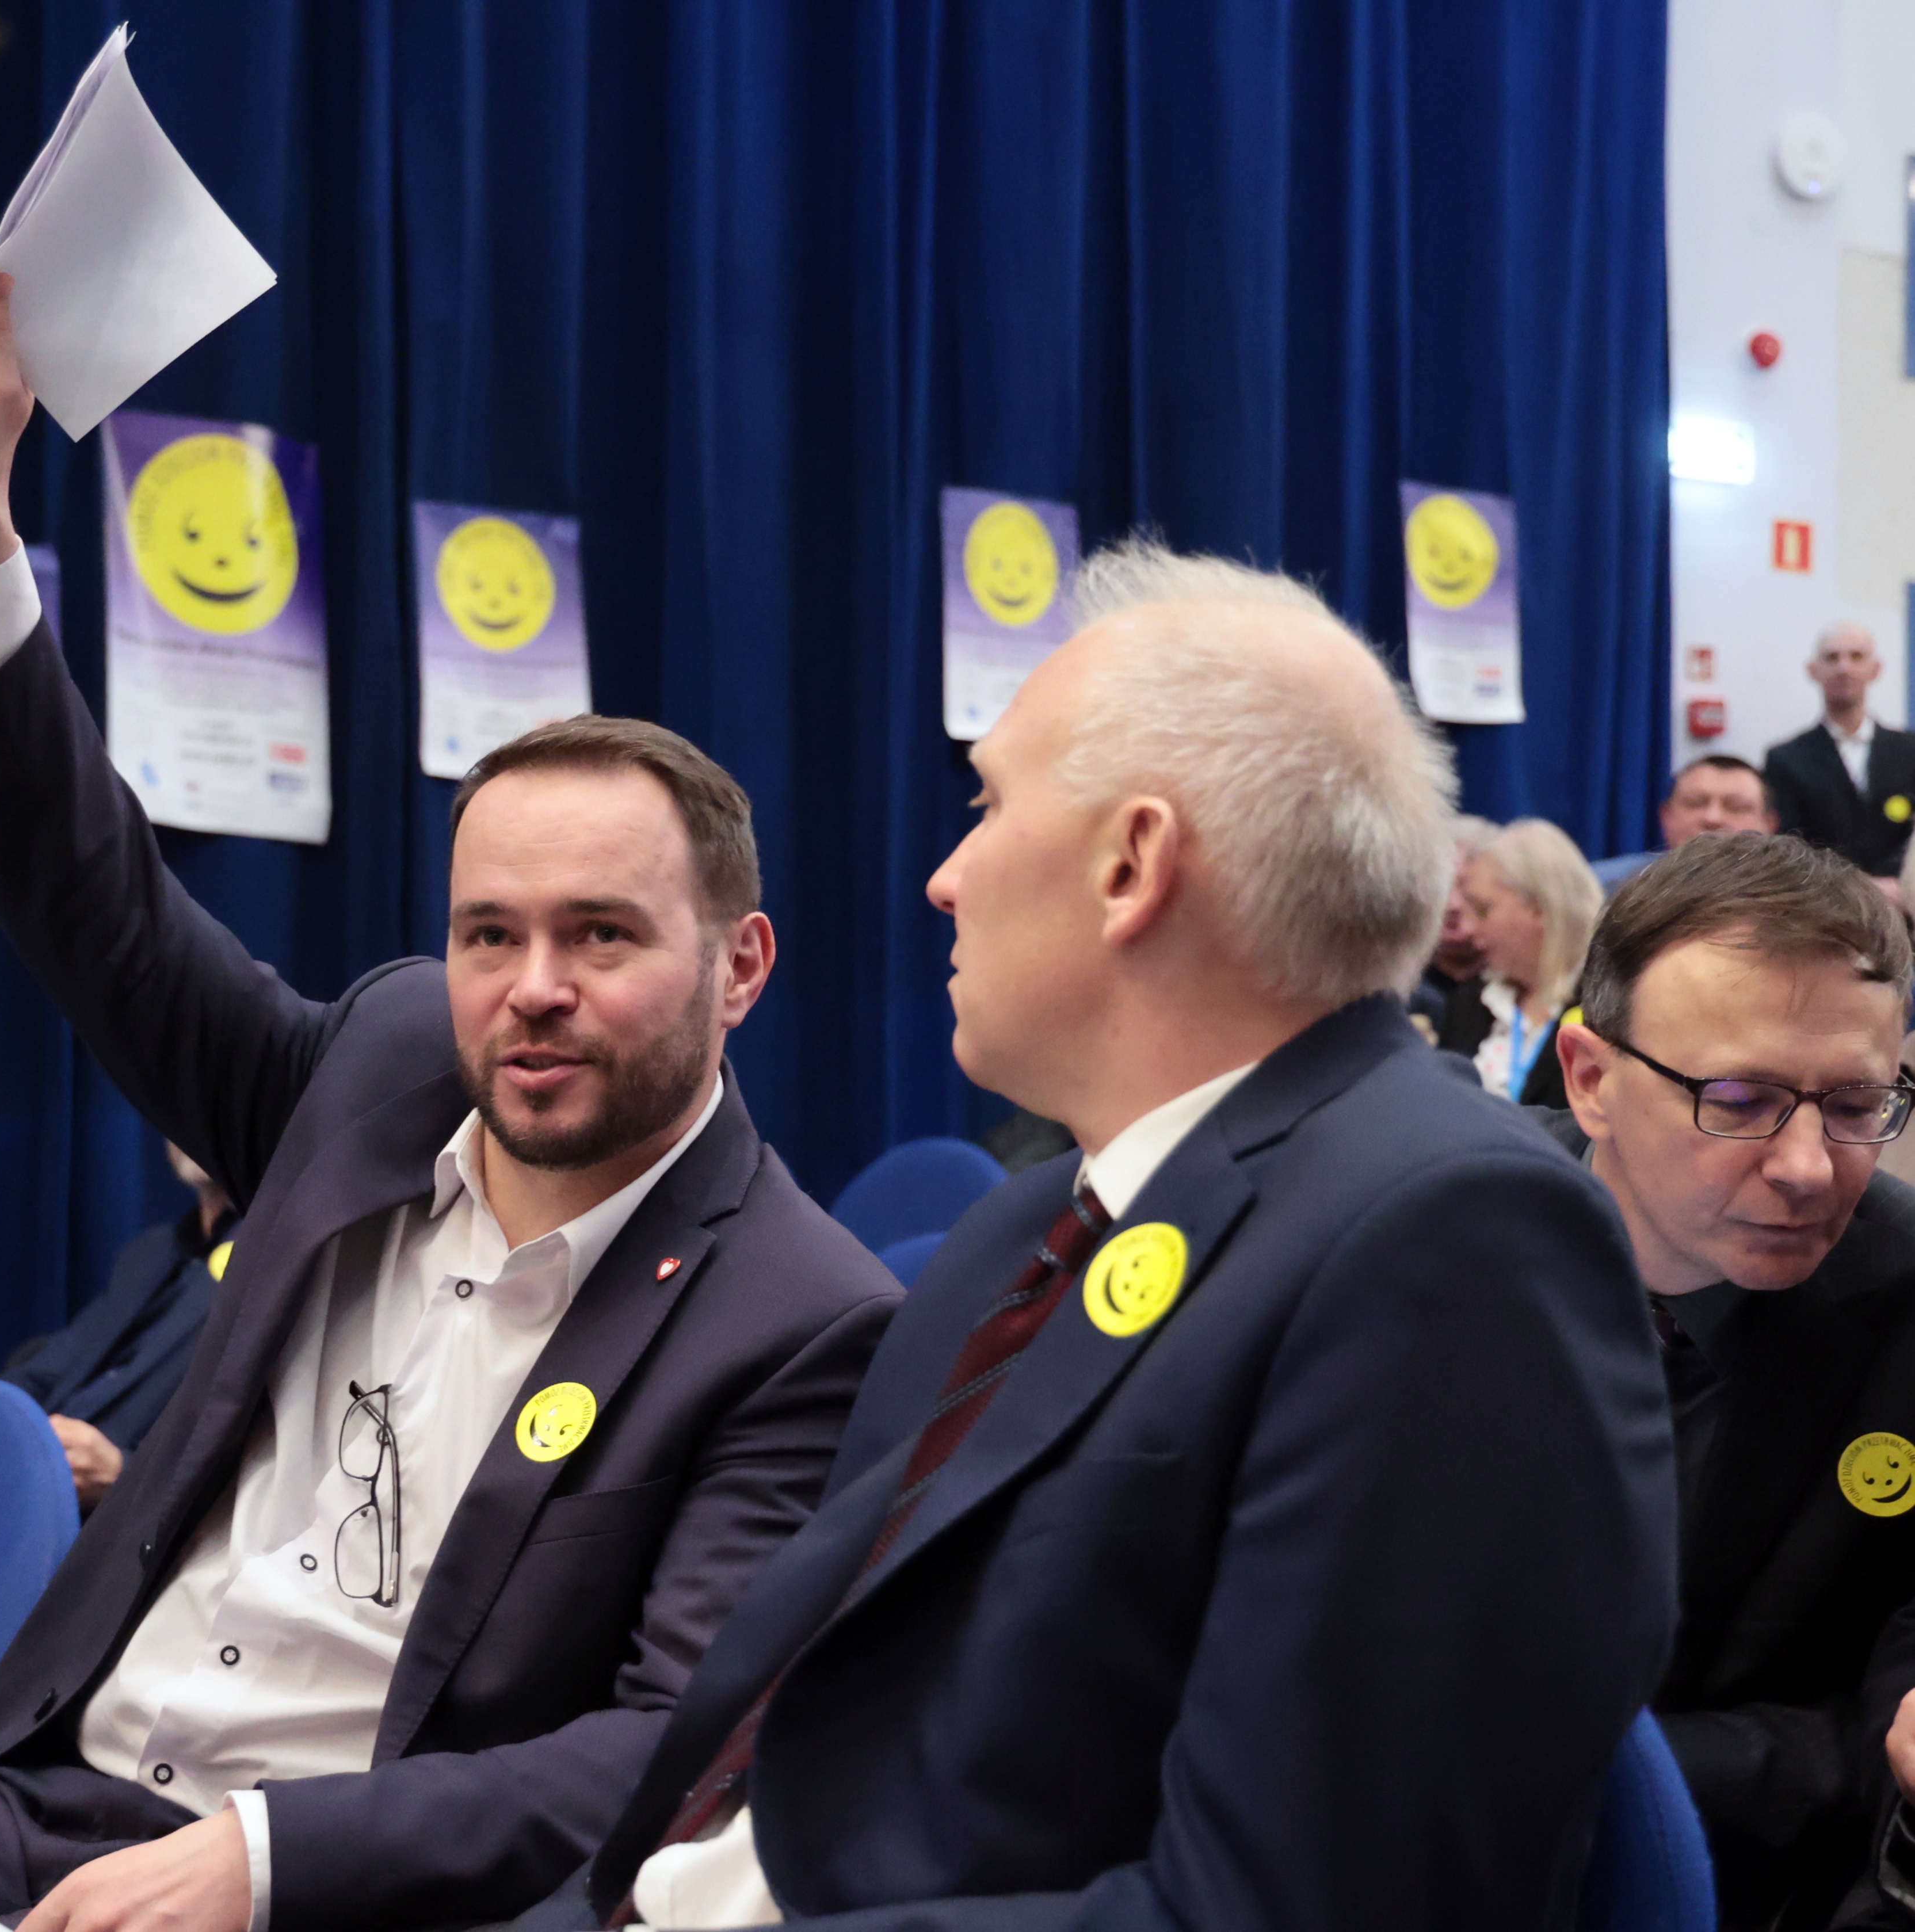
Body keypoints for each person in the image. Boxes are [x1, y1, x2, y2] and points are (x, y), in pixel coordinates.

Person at [0, 270, 902, 1932]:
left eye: (600, 934)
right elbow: (99, 907)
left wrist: (262, 1856)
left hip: (333, 1888)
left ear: (739, 965)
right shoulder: (383, 1066)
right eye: (488, 933)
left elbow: (660, 1749)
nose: (530, 984)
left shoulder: (802, 1315)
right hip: (55, 1809)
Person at [520, 541, 1673, 1931]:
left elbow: (1291, 1907)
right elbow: (757, 1772)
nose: (944, 876)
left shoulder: (1453, 1240)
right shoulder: (1023, 1228)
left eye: (987, 803)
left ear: (1131, 863)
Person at [1536, 835, 1915, 1930]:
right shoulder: (1420, 1253)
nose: (1807, 1167)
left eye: (1856, 1104)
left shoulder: (1904, 1302)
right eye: (1741, 1098)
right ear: (1590, 1078)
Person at [1, 1143, 239, 1508]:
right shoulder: (149, 1252)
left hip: (124, 1526)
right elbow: (46, 1370)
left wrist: (122, 1475)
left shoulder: (277, 1271)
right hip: (30, 1487)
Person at [1435, 816, 1603, 1105]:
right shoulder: (1470, 1001)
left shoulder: (1608, 1008)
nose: (1469, 927)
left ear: (1539, 907)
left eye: (1483, 909)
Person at [1765, 621, 1915, 879]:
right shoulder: (1786, 760)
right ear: (1813, 670)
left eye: (1856, 657)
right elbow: (1788, 845)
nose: (1844, 668)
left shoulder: (1910, 751)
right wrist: (1858, 885)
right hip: (1824, 896)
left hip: (1902, 894)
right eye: (1832, 658)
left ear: (1875, 669)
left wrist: (1897, 882)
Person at [1590, 755, 1779, 889]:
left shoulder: (1792, 899)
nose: (1712, 818)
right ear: (1666, 817)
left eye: (1736, 807)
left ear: (1770, 825)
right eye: (1695, 803)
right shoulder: (1599, 888)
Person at [1409, 814, 1499, 1026]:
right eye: (1441, 885)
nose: (1454, 904)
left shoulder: (1524, 995)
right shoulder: (1395, 994)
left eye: (1467, 887)